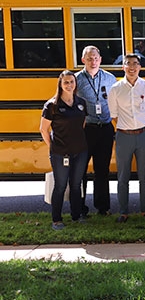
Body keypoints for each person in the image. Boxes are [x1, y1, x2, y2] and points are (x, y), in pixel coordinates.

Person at [107, 53, 145, 221]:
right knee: (123, 176)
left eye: (135, 64)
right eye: (128, 64)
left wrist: (139, 126)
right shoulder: (115, 89)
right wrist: (128, 127)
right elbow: (114, 115)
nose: (132, 67)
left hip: (144, 135)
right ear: (123, 67)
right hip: (123, 136)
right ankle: (123, 211)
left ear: (140, 67)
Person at [40, 71, 89, 230]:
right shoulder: (52, 105)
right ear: (60, 85)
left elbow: (82, 125)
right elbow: (43, 129)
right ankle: (57, 219)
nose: (69, 85)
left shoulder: (81, 103)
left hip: (80, 151)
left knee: (76, 184)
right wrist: (53, 147)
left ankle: (77, 216)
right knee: (60, 185)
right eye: (66, 82)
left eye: (72, 82)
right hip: (60, 153)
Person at [75, 45, 117, 217]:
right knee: (80, 170)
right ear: (83, 60)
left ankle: (102, 207)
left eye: (96, 58)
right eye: (89, 58)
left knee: (102, 169)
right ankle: (80, 208)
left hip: (105, 127)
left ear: (100, 59)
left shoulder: (110, 78)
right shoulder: (76, 79)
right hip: (85, 129)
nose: (93, 61)